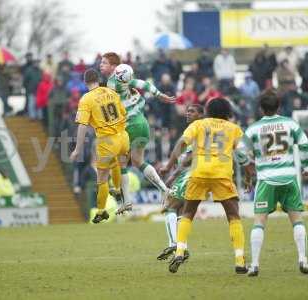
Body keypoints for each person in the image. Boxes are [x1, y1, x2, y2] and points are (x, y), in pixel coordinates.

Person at [160, 98, 248, 274]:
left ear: (208, 110)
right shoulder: (234, 129)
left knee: (187, 213)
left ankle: (179, 251)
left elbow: (181, 143)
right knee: (233, 215)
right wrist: (249, 174)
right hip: (221, 175)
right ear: (227, 111)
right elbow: (243, 154)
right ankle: (239, 260)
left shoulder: (199, 125)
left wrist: (169, 166)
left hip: (199, 172)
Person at [237, 89, 308, 276]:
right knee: (297, 219)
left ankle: (254, 265)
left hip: (266, 180)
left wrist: (249, 166)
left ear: (261, 108)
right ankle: (303, 260)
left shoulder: (253, 128)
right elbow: (304, 144)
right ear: (279, 106)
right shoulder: (290, 124)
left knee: (259, 222)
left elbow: (239, 151)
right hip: (288, 177)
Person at [100, 53, 175, 214]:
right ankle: (164, 188)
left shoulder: (112, 83)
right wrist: (159, 94)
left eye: (104, 63)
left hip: (128, 127)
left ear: (115, 68)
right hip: (142, 124)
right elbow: (144, 84)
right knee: (138, 161)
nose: (101, 65)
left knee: (120, 162)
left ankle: (126, 201)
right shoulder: (127, 80)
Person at [70, 68, 130, 223]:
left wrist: (77, 149)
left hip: (107, 140)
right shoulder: (111, 92)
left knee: (102, 177)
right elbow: (124, 113)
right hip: (123, 136)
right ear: (98, 78)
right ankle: (117, 189)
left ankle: (101, 210)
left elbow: (82, 125)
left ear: (85, 82)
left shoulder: (86, 99)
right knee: (117, 163)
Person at [157, 104, 203, 260]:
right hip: (196, 174)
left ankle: (173, 244)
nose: (188, 113)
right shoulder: (201, 130)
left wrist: (172, 174)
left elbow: (189, 158)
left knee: (170, 206)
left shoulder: (197, 129)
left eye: (192, 111)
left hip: (190, 173)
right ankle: (183, 248)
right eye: (188, 111)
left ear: (200, 114)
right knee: (182, 212)